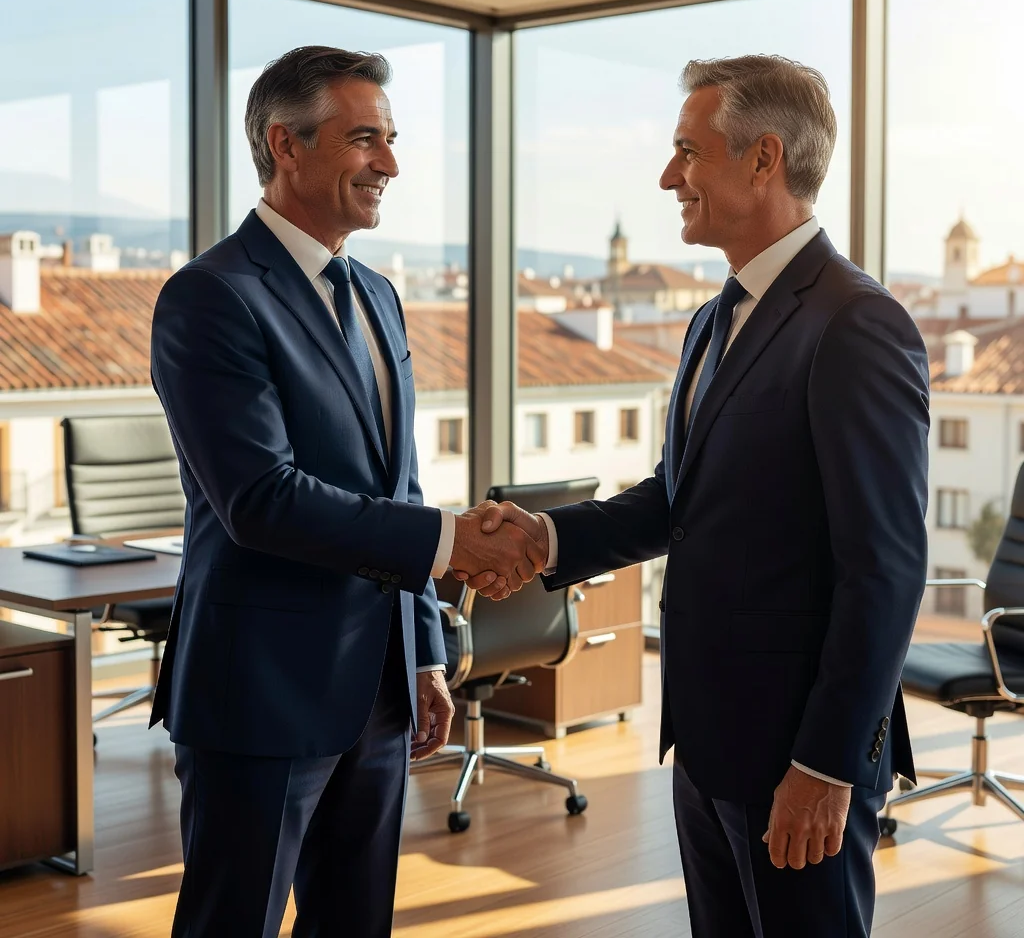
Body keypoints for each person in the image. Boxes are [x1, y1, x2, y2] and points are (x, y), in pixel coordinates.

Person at [465, 55, 929, 937]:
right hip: (708, 741)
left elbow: (888, 572)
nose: (668, 175)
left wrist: (826, 766)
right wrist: (543, 538)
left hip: (799, 756)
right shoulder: (714, 318)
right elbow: (677, 500)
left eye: (688, 150)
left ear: (763, 160)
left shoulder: (857, 323)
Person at [149, 45, 542, 938]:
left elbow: (392, 481)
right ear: (285, 145)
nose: (391, 165)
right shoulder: (211, 297)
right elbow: (261, 499)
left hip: (379, 690)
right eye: (366, 139)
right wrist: (450, 544)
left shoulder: (378, 295)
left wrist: (425, 653)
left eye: (392, 139)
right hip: (261, 690)